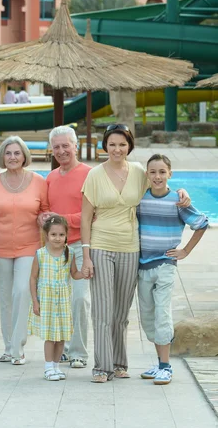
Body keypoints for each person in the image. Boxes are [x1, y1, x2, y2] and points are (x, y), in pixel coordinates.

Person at [81, 124, 190, 383]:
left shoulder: (140, 172)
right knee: (103, 309)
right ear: (105, 146)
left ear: (129, 146)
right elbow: (85, 218)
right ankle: (101, 366)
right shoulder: (94, 175)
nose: (117, 149)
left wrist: (182, 192)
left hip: (131, 248)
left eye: (122, 144)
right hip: (101, 245)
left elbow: (159, 187)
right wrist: (85, 254)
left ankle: (119, 363)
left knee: (120, 312)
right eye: (112, 144)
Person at [138, 154, 208, 386]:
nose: (157, 176)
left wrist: (185, 250)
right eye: (152, 172)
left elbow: (201, 223)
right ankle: (160, 363)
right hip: (143, 266)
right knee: (148, 317)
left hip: (165, 265)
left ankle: (166, 367)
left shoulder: (177, 201)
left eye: (162, 172)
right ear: (146, 174)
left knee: (162, 313)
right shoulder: (140, 199)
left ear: (170, 174)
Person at [0, 136, 49, 365]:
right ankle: (8, 346)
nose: (12, 157)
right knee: (6, 298)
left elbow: (46, 211)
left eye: (17, 153)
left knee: (22, 292)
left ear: (24, 156)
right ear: (2, 156)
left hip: (29, 246)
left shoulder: (38, 181)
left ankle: (18, 348)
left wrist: (43, 218)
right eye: (8, 153)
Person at [39, 126, 91, 369]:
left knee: (80, 299)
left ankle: (79, 352)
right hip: (55, 252)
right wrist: (43, 218)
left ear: (76, 145)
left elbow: (94, 214)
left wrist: (61, 219)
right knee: (59, 301)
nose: (61, 151)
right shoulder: (50, 178)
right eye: (56, 147)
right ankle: (64, 350)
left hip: (80, 247)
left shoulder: (90, 174)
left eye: (65, 145)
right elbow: (45, 210)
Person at [29, 215, 84, 381]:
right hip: (46, 301)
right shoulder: (40, 254)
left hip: (63, 302)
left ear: (66, 235)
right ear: (47, 235)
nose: (57, 238)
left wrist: (84, 273)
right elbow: (33, 278)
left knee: (61, 337)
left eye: (61, 235)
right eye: (54, 234)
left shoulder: (70, 252)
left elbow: (74, 274)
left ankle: (56, 366)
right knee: (50, 336)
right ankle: (48, 367)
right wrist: (35, 301)